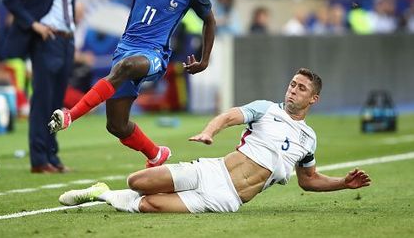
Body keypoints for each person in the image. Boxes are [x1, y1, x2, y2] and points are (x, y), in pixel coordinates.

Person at [57, 68, 371, 213]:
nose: (293, 90)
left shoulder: (309, 139)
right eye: (292, 84)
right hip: (213, 170)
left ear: (313, 99)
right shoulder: (266, 109)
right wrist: (210, 131)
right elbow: (229, 116)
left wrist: (344, 183)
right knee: (137, 180)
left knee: (151, 204)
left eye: (301, 88)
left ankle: (104, 195)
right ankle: (106, 190)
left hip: (226, 200)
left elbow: (309, 180)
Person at [45, 0, 216, 168]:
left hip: (155, 55)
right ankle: (156, 154)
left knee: (125, 67)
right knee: (116, 125)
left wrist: (204, 59)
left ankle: (69, 115)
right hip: (125, 49)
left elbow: (210, 20)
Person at [2, 0, 76, 173]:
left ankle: (52, 157)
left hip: (67, 41)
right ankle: (38, 160)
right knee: (42, 102)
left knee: (57, 104)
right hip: (47, 41)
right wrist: (34, 25)